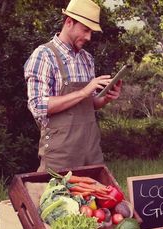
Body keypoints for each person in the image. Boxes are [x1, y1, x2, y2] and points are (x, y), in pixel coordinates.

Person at [24, 0, 122, 172]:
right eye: (85, 30)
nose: (88, 37)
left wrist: (105, 98)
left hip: (91, 153)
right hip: (60, 155)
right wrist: (84, 91)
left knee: (96, 198)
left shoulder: (87, 59)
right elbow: (38, 106)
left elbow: (88, 104)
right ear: (69, 22)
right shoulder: (43, 56)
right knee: (57, 198)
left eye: (91, 32)